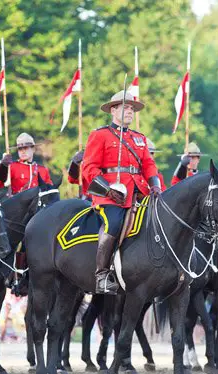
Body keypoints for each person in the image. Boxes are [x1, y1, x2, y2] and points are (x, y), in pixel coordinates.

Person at [82, 90, 161, 294]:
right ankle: (101, 275)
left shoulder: (139, 138)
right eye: (125, 107)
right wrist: (108, 190)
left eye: (132, 108)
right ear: (113, 110)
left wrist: (155, 185)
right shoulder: (100, 135)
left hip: (138, 192)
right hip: (111, 195)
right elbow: (89, 168)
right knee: (114, 223)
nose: (130, 111)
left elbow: (149, 165)